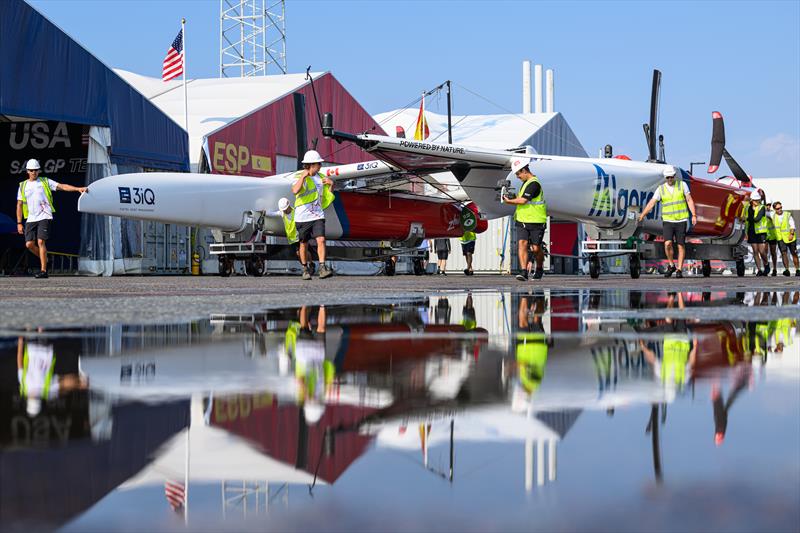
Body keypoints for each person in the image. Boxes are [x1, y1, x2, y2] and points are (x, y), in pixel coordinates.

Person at [16, 159, 88, 278]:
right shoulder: (23, 185)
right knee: (29, 244)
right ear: (27, 171)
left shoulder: (45, 181)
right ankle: (45, 258)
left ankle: (44, 270)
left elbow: (62, 186)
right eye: (31, 170)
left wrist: (77, 188)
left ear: (39, 171)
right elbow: (19, 204)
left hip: (45, 215)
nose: (34, 172)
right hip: (30, 218)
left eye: (36, 170)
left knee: (40, 241)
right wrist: (19, 222)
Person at [638, 166, 697, 278]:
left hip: (681, 219)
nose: (670, 179)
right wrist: (643, 215)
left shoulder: (682, 185)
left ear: (674, 176)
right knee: (667, 243)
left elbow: (689, 200)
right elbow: (652, 203)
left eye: (671, 177)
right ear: (665, 178)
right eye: (668, 177)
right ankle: (671, 265)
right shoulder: (661, 189)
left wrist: (693, 215)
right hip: (668, 220)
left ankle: (679, 269)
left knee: (680, 245)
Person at [291, 150, 335, 280]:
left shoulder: (321, 177)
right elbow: (295, 190)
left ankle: (322, 267)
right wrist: (303, 177)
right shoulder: (298, 176)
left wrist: (332, 185)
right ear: (311, 164)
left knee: (321, 239)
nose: (321, 166)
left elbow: (326, 195)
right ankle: (305, 269)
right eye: (319, 164)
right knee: (303, 244)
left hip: (317, 215)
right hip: (302, 217)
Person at [503, 158, 547, 281]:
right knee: (522, 244)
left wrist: (508, 201)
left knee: (536, 248)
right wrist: (512, 197)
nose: (517, 177)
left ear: (524, 170)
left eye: (518, 174)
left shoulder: (534, 184)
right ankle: (523, 272)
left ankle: (539, 268)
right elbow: (521, 199)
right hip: (522, 220)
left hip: (536, 221)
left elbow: (523, 201)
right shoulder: (525, 183)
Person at [744, 192, 769, 276]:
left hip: (761, 232)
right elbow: (746, 221)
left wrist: (747, 218)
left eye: (758, 200)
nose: (757, 202)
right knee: (755, 251)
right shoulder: (748, 208)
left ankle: (766, 265)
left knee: (762, 251)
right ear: (752, 200)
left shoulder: (762, 207)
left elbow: (757, 219)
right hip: (751, 232)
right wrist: (746, 232)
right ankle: (759, 270)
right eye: (755, 200)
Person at [772, 201, 799, 276]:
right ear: (774, 209)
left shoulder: (787, 215)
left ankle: (797, 269)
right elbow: (764, 211)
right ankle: (787, 270)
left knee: (794, 253)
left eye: (781, 207)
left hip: (790, 237)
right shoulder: (772, 215)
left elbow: (792, 225)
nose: (780, 209)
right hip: (780, 238)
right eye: (777, 208)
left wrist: (791, 234)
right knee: (784, 253)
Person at [764, 203, 781, 276]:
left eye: (769, 205)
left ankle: (774, 269)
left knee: (773, 253)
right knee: (764, 253)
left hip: (772, 235)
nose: (768, 206)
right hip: (764, 235)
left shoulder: (772, 213)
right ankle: (766, 268)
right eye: (766, 205)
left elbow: (775, 221)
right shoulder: (761, 212)